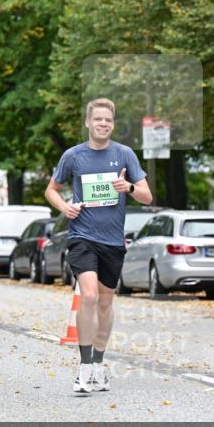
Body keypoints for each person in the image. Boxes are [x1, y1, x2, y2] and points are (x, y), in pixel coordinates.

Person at [45, 98, 152, 394]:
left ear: (112, 124)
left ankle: (99, 366)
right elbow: (51, 190)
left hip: (113, 241)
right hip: (82, 237)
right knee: (89, 296)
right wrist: (64, 207)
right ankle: (84, 367)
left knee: (106, 302)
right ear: (88, 123)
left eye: (108, 120)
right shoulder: (73, 156)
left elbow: (147, 195)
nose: (103, 124)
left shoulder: (124, 154)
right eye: (98, 119)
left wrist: (128, 187)